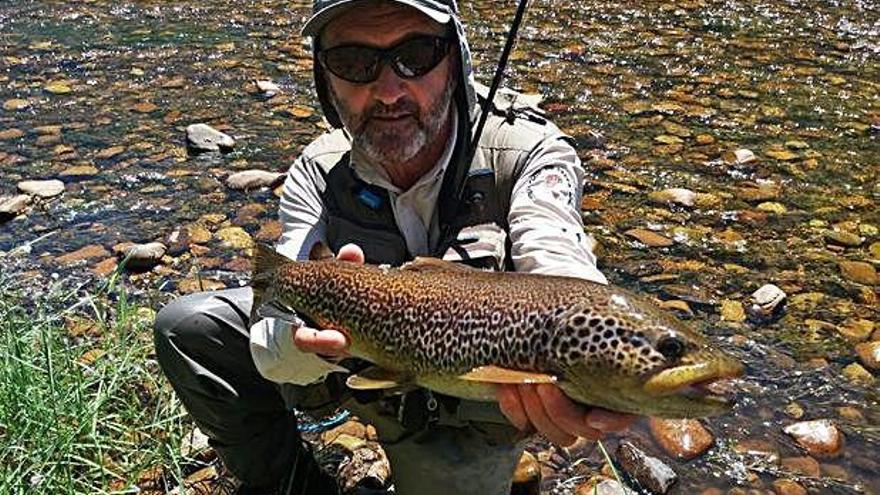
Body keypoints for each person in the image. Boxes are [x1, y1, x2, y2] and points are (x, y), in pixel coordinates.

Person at [154, 0, 635, 493]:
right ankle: (292, 485)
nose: (387, 91)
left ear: (456, 58)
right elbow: (275, 347)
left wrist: (594, 363)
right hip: (354, 365)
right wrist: (305, 341)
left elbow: (561, 264)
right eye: (354, 63)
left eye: (417, 54)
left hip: (471, 403)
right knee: (188, 328)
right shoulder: (318, 171)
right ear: (326, 77)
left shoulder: (531, 153)